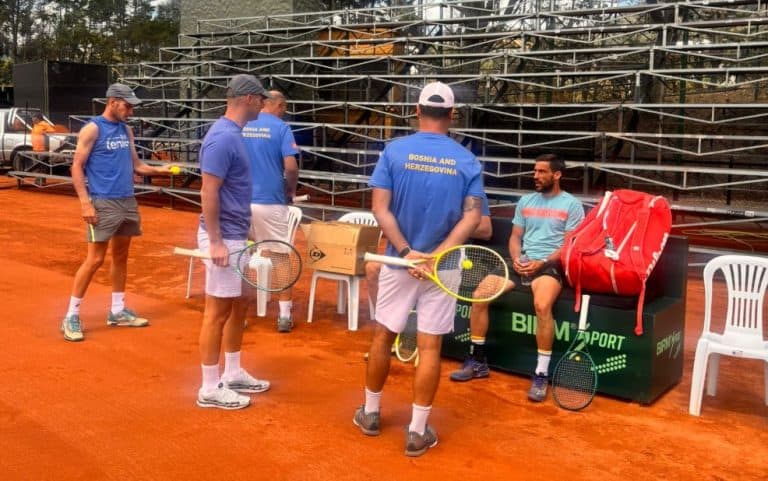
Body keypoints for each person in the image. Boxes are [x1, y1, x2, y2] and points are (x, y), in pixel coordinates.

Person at [353, 82, 484, 457]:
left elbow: (381, 209)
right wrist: (437, 256)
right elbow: (472, 216)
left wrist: (410, 252)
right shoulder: (467, 160)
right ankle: (416, 431)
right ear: (453, 114)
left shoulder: (394, 151)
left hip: (399, 260)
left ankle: (372, 414)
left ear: (417, 109)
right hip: (443, 267)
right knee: (429, 346)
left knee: (383, 336)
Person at [448, 153, 585, 403]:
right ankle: (478, 361)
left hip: (549, 266)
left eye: (542, 172)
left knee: (542, 305)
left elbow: (569, 246)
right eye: (535, 171)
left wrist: (541, 262)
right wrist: (517, 258)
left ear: (557, 175)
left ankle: (541, 373)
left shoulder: (572, 205)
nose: (536, 176)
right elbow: (515, 237)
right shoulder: (525, 201)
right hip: (519, 263)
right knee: (479, 295)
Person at [60, 83, 177, 342]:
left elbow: (136, 165)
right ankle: (71, 315)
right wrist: (85, 203)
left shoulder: (126, 130)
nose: (131, 110)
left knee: (121, 256)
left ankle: (117, 311)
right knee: (95, 260)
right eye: (127, 105)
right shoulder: (93, 129)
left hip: (127, 200)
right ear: (112, 102)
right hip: (102, 202)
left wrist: (160, 170)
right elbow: (77, 167)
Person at [195, 74, 273, 410]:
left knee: (238, 303)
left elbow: (232, 191)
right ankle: (210, 387)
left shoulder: (233, 135)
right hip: (222, 237)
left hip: (234, 234)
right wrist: (215, 242)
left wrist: (247, 233)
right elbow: (208, 191)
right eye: (262, 99)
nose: (265, 105)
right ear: (250, 99)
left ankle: (233, 370)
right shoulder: (223, 138)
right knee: (217, 311)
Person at [364, 197, 493, 314]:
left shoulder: (470, 189)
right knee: (372, 268)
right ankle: (383, 319)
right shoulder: (413, 186)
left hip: (446, 259)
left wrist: (449, 224)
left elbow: (485, 229)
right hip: (408, 255)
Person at [241, 90, 300, 332]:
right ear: (277, 105)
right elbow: (291, 166)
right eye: (283, 106)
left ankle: (239, 313)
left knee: (240, 254)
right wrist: (291, 189)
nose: (284, 111)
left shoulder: (243, 123)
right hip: (270, 199)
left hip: (241, 199)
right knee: (279, 255)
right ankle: (284, 314)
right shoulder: (281, 128)